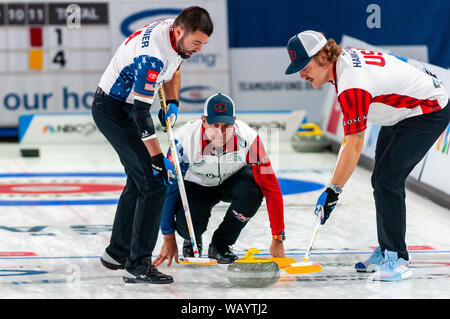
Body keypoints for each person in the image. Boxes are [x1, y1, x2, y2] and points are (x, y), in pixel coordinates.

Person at [284, 30, 449, 281]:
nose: (301, 74)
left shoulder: (351, 85)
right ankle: (386, 249)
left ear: (322, 58)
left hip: (427, 109)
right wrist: (333, 188)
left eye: (303, 66)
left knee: (387, 179)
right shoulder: (342, 68)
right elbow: (350, 141)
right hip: (401, 111)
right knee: (380, 179)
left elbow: (354, 144)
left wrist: (333, 191)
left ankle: (399, 258)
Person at [91, 6, 213, 284]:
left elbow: (174, 70)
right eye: (197, 43)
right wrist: (157, 157)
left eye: (203, 45)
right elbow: (141, 116)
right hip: (114, 109)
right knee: (154, 180)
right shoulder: (152, 57)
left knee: (139, 179)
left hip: (126, 105)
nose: (199, 50)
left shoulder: (176, 35)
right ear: (180, 32)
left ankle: (117, 253)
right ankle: (138, 265)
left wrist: (172, 103)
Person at [153, 93, 286, 266]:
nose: (220, 133)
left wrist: (277, 237)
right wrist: (168, 237)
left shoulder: (249, 139)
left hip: (233, 180)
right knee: (188, 229)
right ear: (203, 121)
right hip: (197, 184)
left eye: (226, 126)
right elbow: (169, 189)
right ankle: (193, 237)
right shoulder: (183, 140)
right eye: (215, 125)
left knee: (253, 192)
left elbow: (271, 188)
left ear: (235, 121)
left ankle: (220, 244)